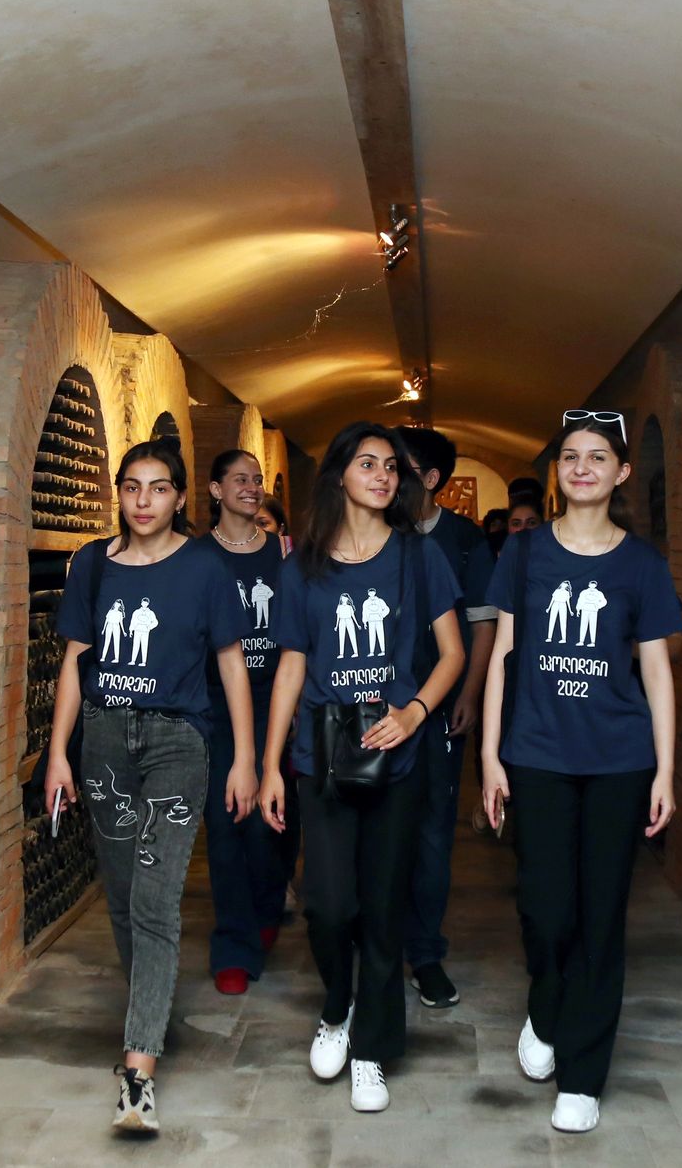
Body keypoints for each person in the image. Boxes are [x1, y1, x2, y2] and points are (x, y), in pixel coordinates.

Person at [43, 439, 258, 1136]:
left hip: (178, 741)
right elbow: (75, 663)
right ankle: (152, 1009)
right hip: (105, 739)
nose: (143, 501)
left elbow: (232, 664)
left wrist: (245, 758)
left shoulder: (204, 567)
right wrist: (58, 754)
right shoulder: (91, 565)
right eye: (132, 486)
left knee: (157, 897)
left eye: (158, 488)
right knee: (123, 895)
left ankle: (137, 1074)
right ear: (119, 493)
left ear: (180, 497)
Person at [479, 411, 682, 1136]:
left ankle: (583, 1074)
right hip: (537, 754)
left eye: (598, 457)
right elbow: (503, 657)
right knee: (545, 907)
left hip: (619, 761)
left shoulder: (641, 565)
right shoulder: (524, 553)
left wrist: (665, 770)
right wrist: (489, 755)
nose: (583, 467)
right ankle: (546, 1007)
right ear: (558, 470)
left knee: (601, 914)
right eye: (571, 456)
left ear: (621, 473)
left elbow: (657, 672)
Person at [258, 422, 465, 1115]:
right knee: (326, 904)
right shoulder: (303, 565)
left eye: (391, 467)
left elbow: (453, 654)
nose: (382, 476)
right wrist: (269, 765)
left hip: (395, 757)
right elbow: (291, 666)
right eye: (368, 463)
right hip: (321, 755)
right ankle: (337, 1006)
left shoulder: (418, 556)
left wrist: (415, 712)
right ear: (340, 474)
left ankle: (372, 1049)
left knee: (382, 907)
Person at [393, 426, 497, 1009]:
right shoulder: (371, 535)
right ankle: (374, 946)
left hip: (437, 709)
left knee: (433, 832)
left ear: (430, 479)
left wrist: (470, 694)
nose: (387, 476)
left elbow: (482, 625)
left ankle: (425, 953)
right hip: (377, 709)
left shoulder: (463, 540)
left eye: (399, 466)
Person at [200, 449, 296, 996]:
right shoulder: (196, 556)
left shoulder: (282, 555)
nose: (252, 487)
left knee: (267, 821)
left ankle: (266, 904)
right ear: (215, 490)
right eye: (239, 479)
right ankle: (234, 943)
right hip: (214, 704)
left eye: (257, 479)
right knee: (225, 821)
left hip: (273, 699)